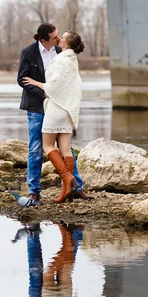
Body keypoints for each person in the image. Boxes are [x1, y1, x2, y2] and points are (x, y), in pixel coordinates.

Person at [17, 24, 92, 204]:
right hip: (37, 107)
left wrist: (52, 93)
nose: (58, 39)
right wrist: (43, 93)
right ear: (44, 40)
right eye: (54, 37)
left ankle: (75, 187)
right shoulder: (28, 52)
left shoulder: (61, 53)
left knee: (67, 149)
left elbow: (66, 82)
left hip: (57, 106)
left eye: (59, 36)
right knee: (35, 149)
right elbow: (22, 79)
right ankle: (34, 191)